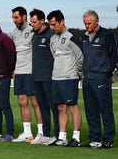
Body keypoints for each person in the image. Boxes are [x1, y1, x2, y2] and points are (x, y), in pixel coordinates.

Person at [47, 10, 84, 147]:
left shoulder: (72, 37)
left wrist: (77, 72)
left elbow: (80, 57)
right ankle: (62, 138)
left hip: (70, 78)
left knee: (72, 106)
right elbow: (54, 56)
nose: (52, 27)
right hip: (56, 78)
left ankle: (76, 138)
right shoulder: (52, 39)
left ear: (62, 21)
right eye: (50, 25)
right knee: (61, 108)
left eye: (54, 24)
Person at [81, 10, 116, 149]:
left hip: (101, 78)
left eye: (89, 23)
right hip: (87, 78)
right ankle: (94, 139)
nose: (86, 26)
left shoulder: (107, 35)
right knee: (90, 110)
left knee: (105, 109)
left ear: (97, 22)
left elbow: (113, 56)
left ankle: (108, 139)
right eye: (85, 23)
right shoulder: (84, 37)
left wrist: (107, 72)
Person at [11, 6, 43, 142]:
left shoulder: (33, 31)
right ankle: (27, 133)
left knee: (35, 102)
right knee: (22, 101)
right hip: (19, 72)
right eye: (13, 18)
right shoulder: (14, 32)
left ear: (24, 17)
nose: (14, 20)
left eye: (16, 17)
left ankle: (41, 132)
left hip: (31, 72)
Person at [29, 9, 59, 145]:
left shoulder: (51, 35)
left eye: (35, 22)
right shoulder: (34, 36)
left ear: (42, 21)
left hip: (49, 77)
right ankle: (46, 135)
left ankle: (58, 135)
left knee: (54, 107)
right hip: (36, 77)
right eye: (31, 22)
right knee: (42, 107)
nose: (33, 24)